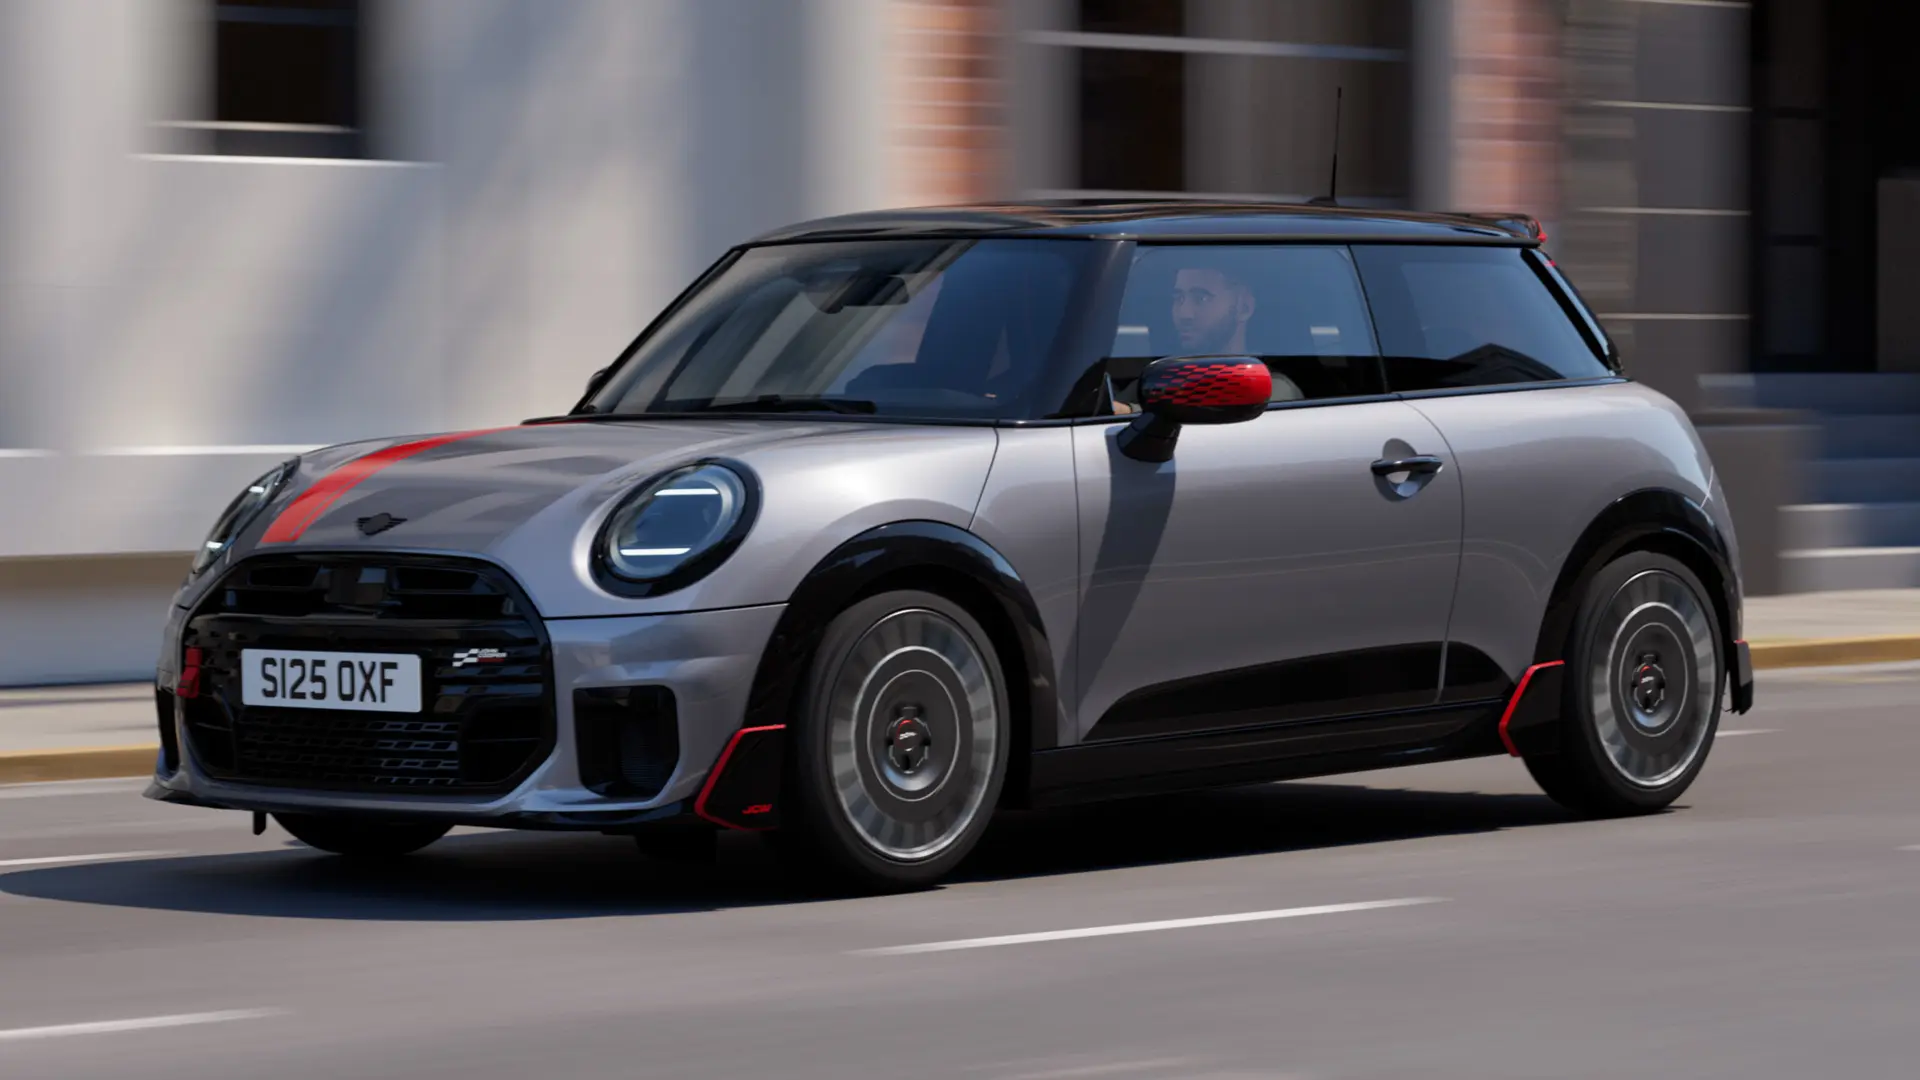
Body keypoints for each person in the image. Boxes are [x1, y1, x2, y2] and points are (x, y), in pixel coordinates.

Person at [1171, 262, 1256, 355]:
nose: (1184, 314)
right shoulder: (1163, 367)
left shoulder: (1265, 368)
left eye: (1201, 298)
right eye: (1179, 298)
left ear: (1244, 308)